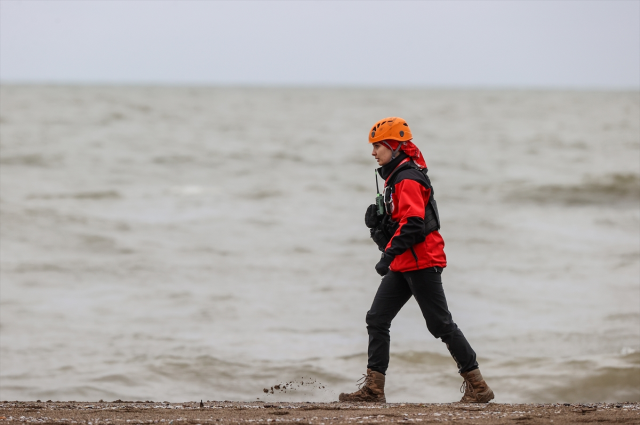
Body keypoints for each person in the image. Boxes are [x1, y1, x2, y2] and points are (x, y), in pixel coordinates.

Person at [338, 117, 494, 404]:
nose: (373, 153)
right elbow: (397, 228)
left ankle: (478, 386)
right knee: (376, 318)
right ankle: (374, 389)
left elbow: (412, 226)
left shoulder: (408, 178)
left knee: (440, 324)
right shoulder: (394, 178)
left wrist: (388, 256)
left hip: (422, 261)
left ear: (393, 146)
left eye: (377, 146)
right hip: (404, 262)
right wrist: (376, 229)